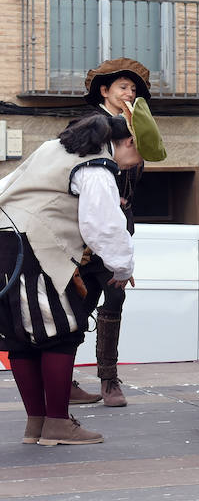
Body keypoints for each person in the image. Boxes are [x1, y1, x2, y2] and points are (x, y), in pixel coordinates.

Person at [1, 113, 155, 444]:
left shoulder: (51, 147)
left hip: (7, 242)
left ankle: (37, 424)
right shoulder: (97, 165)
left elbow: (7, 186)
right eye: (138, 156)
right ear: (129, 142)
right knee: (61, 332)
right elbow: (102, 224)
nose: (132, 165)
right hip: (35, 250)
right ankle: (57, 423)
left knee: (21, 337)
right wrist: (122, 266)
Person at [72, 58, 167, 408]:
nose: (129, 93)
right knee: (76, 304)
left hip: (117, 227)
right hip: (83, 234)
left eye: (133, 89)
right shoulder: (87, 125)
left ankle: (109, 379)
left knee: (115, 299)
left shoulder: (136, 126)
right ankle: (65, 377)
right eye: (123, 87)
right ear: (104, 90)